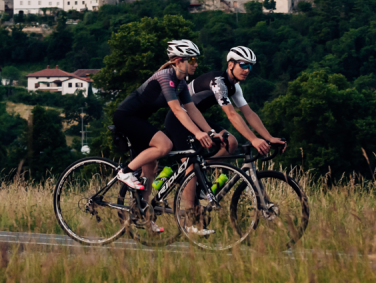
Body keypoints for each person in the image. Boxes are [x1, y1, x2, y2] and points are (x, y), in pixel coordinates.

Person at [113, 39, 220, 232]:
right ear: (179, 61)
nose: (196, 64)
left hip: (140, 119)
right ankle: (125, 171)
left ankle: (142, 214)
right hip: (126, 117)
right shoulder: (165, 76)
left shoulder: (181, 82)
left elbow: (191, 110)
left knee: (151, 168)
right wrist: (197, 133)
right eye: (192, 60)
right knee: (165, 145)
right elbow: (178, 111)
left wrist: (210, 132)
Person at [164, 45, 285, 160]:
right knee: (192, 171)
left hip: (195, 119)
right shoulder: (218, 83)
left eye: (250, 67)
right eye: (243, 65)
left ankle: (203, 171)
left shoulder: (234, 86)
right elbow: (231, 115)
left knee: (231, 143)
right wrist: (254, 139)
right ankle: (195, 174)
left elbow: (249, 114)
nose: (247, 70)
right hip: (178, 120)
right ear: (231, 64)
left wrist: (269, 137)